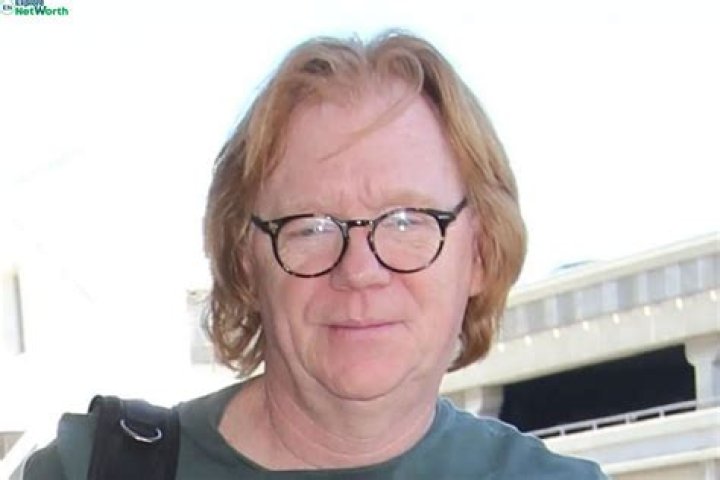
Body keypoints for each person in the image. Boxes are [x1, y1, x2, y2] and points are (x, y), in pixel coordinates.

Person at [24, 30, 607, 479]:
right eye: (310, 227)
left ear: (479, 252)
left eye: (408, 221)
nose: (360, 271)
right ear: (246, 261)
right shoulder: (90, 471)